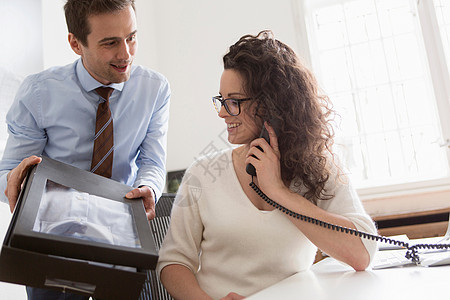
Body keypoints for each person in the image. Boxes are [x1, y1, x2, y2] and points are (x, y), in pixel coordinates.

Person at [156, 30, 377, 300]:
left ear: (272, 105)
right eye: (221, 101)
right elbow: (173, 263)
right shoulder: (202, 173)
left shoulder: (319, 167)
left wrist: (280, 194)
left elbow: (362, 254)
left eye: (234, 102)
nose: (223, 112)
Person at [0, 0, 170, 299]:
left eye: (131, 36)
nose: (126, 53)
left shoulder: (155, 89)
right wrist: (18, 180)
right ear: (75, 43)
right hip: (53, 244)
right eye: (110, 43)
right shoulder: (38, 93)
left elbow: (152, 160)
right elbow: (7, 173)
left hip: (120, 237)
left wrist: (150, 187)